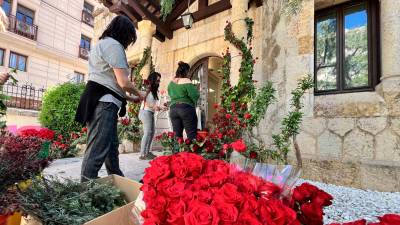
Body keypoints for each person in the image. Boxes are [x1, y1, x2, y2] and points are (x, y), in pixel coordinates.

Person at [75, 15, 143, 182]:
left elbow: (110, 82)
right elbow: (123, 81)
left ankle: (118, 181)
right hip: (104, 103)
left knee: (111, 148)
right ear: (125, 33)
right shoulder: (114, 46)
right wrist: (139, 93)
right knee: (97, 149)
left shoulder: (102, 44)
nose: (128, 42)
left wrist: (128, 97)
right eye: (129, 37)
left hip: (101, 99)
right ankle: (86, 190)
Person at [168, 61, 200, 140]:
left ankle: (177, 151)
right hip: (185, 108)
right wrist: (193, 102)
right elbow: (195, 95)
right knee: (191, 135)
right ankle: (190, 152)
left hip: (173, 109)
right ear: (187, 71)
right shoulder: (186, 80)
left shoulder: (171, 83)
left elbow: (170, 93)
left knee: (177, 136)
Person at [139, 72, 162, 160]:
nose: (158, 81)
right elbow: (144, 100)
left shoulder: (154, 90)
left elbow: (153, 104)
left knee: (151, 133)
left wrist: (160, 107)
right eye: (157, 80)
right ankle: (142, 154)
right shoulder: (147, 87)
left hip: (150, 112)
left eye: (159, 80)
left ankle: (147, 152)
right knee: (147, 132)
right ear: (152, 79)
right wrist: (154, 106)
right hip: (145, 112)